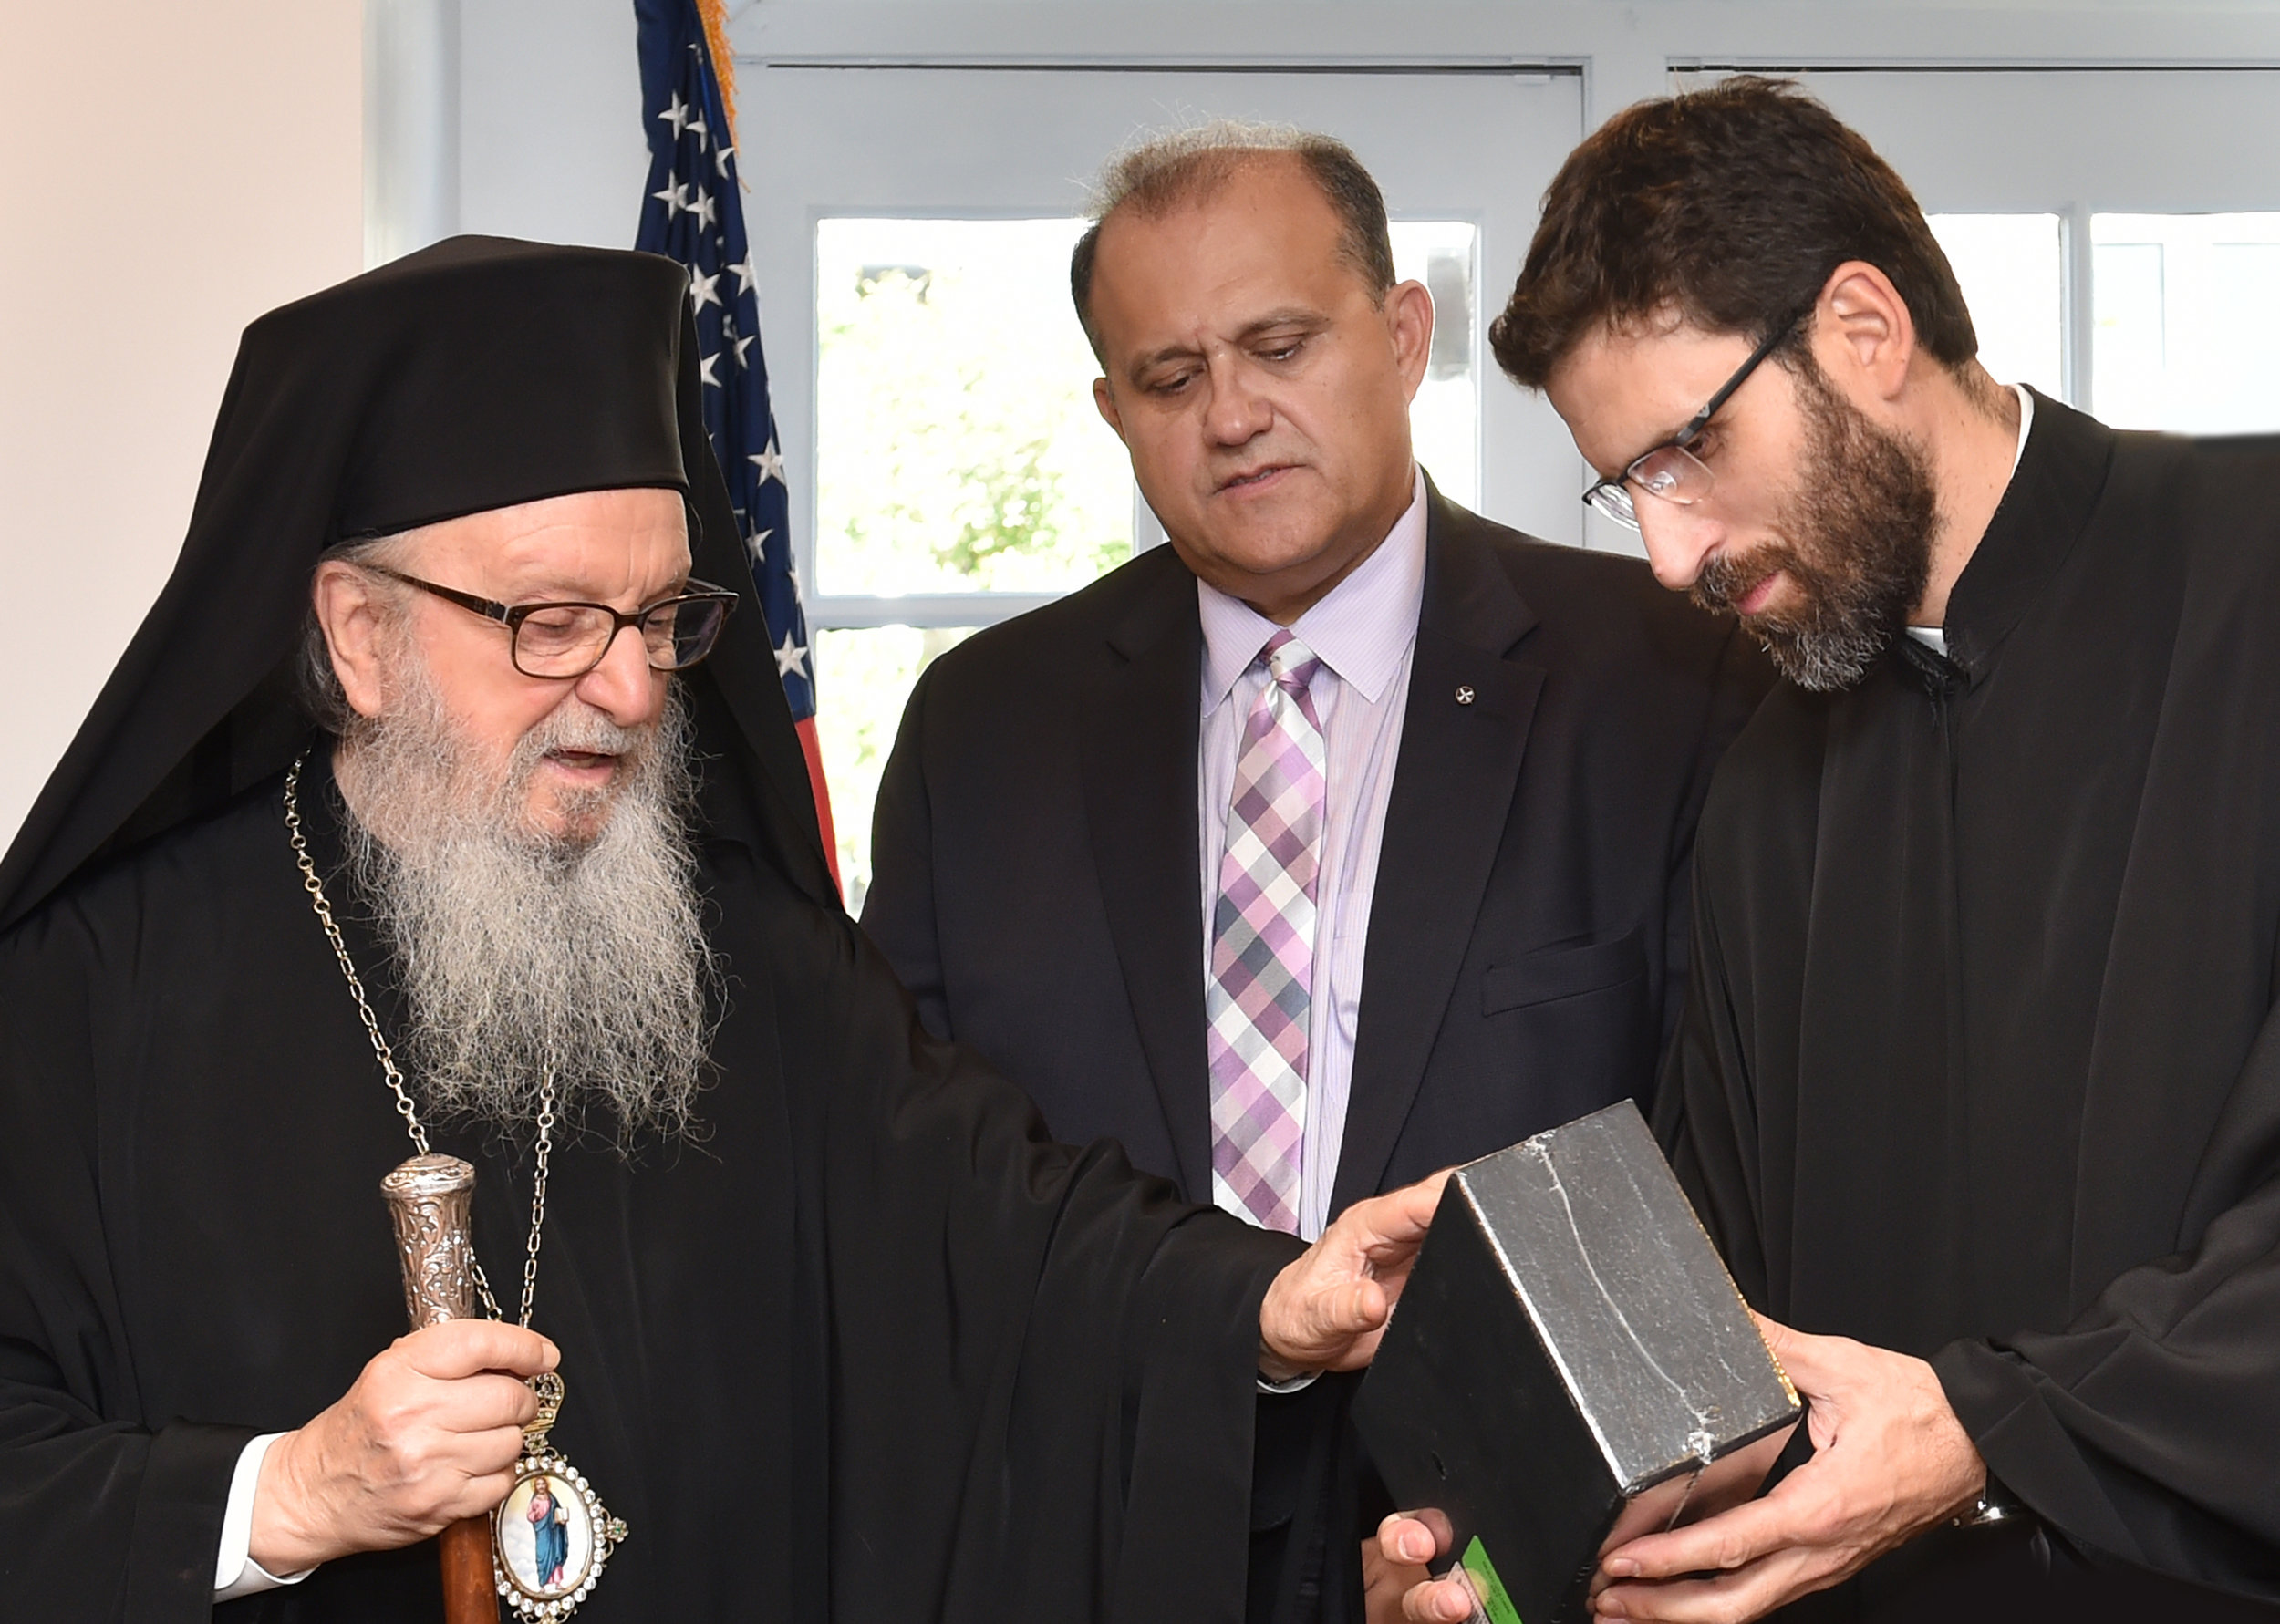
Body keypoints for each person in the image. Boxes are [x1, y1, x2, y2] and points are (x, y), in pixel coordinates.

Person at [0, 233, 1446, 1623]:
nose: (630, 691)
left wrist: (1265, 1301)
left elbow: (1010, 1244)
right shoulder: (83, 999)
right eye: (554, 621)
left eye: (658, 619)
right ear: (362, 635)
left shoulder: (747, 959)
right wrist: (282, 1494)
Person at [1383, 77, 2280, 1623]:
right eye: (1628, 488)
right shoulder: (1767, 782)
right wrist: (1506, 1566)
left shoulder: (2254, 576)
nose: (1669, 556)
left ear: (1865, 330)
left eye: (1688, 450)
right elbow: (1738, 1337)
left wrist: (1991, 1426)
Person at [859, 124, 1772, 1623]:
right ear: (1112, 410)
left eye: (1280, 343)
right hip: (1095, 1540)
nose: (1232, 415)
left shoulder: (1672, 680)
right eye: (1170, 377)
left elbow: (1727, 1170)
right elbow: (924, 1192)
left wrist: (1530, 1543)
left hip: (1520, 1566)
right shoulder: (984, 727)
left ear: (1403, 335)